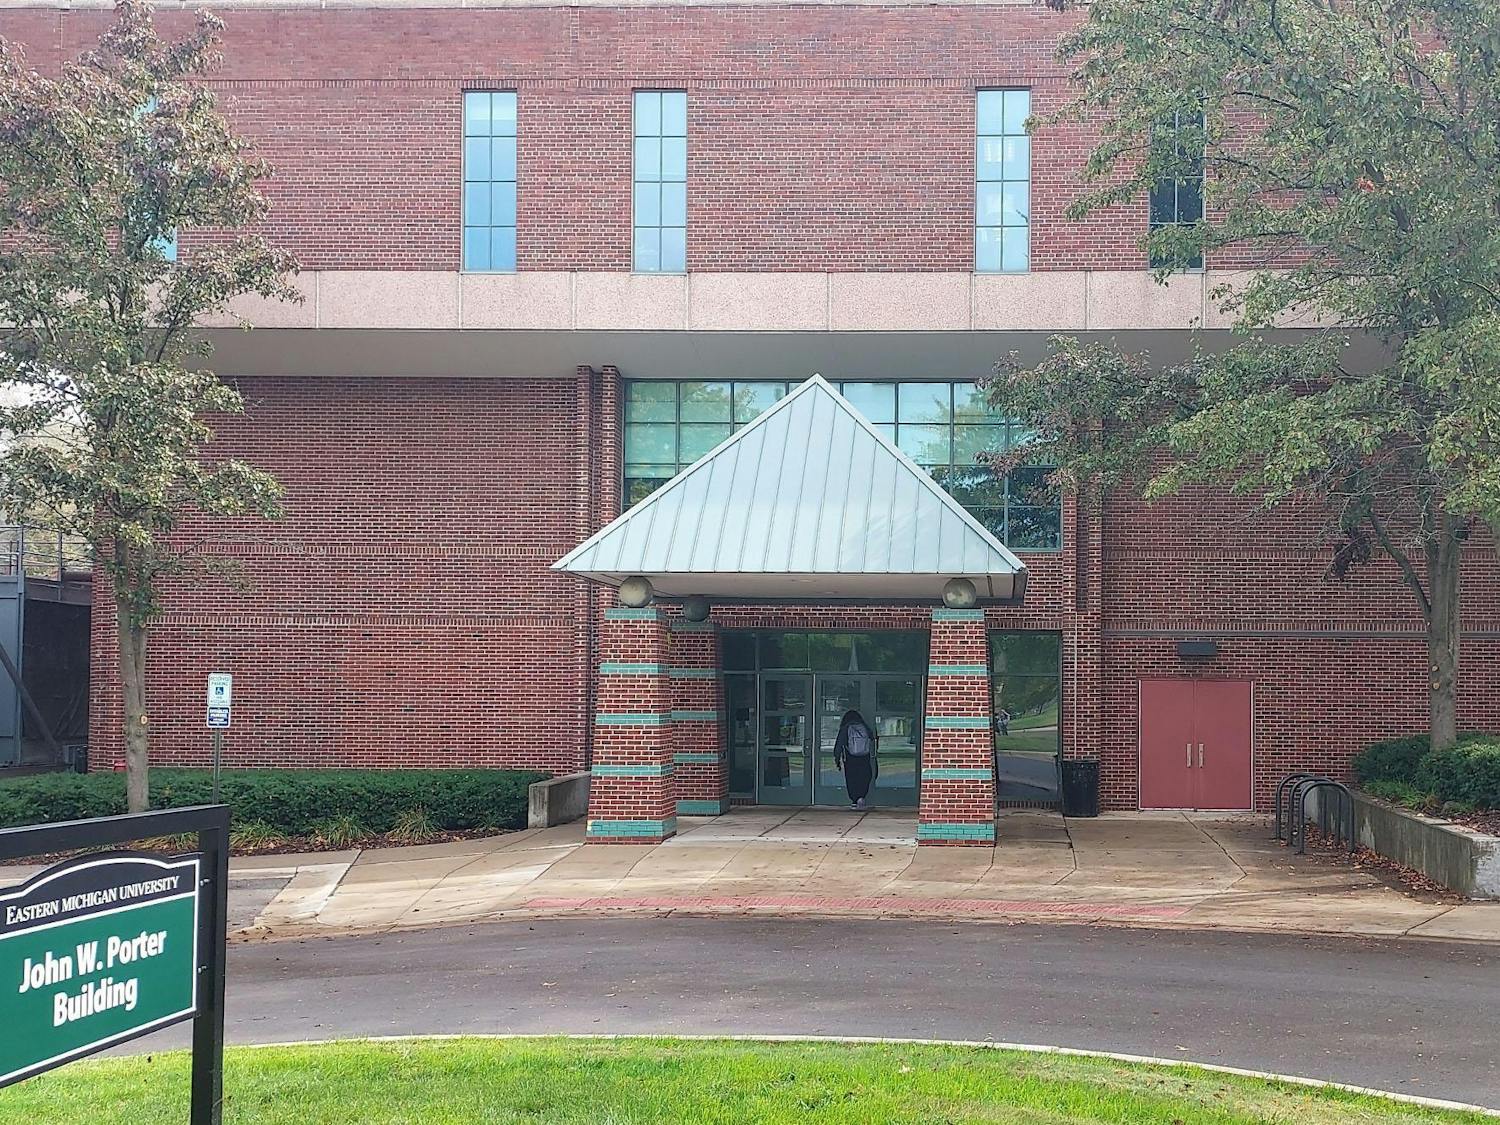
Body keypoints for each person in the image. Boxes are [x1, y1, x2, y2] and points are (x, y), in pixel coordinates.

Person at [833, 709, 878, 810]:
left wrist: (837, 759)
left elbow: (839, 745)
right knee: (864, 777)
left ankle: (854, 800)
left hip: (850, 758)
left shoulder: (845, 728)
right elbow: (872, 737)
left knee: (852, 779)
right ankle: (861, 796)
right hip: (864, 757)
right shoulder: (864, 726)